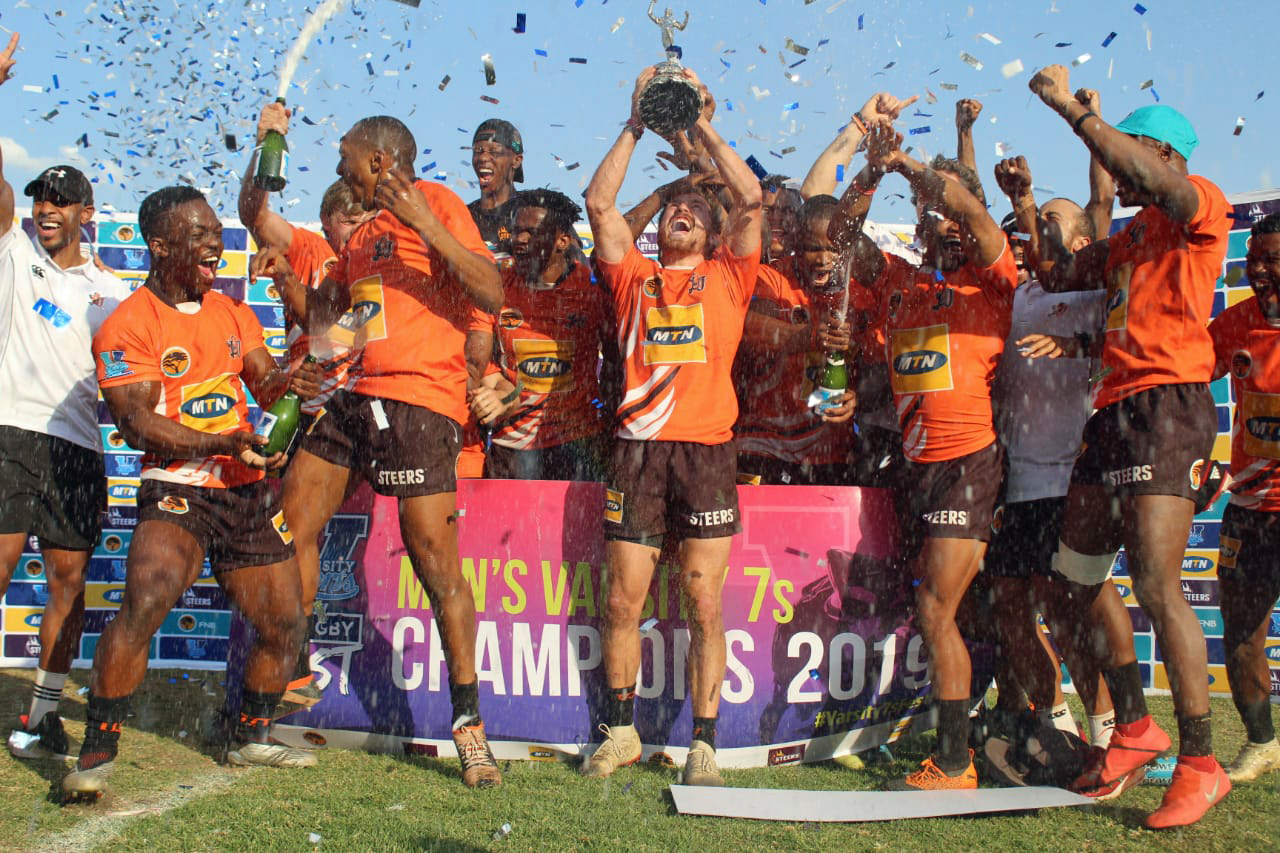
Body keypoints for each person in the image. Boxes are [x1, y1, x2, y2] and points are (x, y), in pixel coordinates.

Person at [253, 115, 505, 789]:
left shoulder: (439, 201)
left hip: (421, 401)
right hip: (356, 396)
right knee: (288, 525)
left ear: (379, 160)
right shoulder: (361, 237)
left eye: (347, 158)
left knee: (436, 567)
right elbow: (331, 334)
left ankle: (469, 723)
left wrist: (424, 221)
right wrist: (286, 280)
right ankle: (291, 668)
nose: (339, 169)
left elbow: (489, 289)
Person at [62, 186, 321, 796]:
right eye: (199, 234)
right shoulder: (129, 324)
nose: (215, 243)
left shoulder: (232, 311)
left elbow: (264, 383)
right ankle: (96, 753)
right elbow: (136, 424)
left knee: (285, 624)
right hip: (177, 486)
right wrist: (222, 442)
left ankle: (248, 735)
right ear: (160, 246)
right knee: (146, 603)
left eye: (215, 232)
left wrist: (293, 381)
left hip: (244, 488)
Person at [1029, 65, 1232, 828]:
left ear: (1165, 154)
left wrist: (1074, 113)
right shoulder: (1130, 236)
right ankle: (1135, 726)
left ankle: (1202, 761)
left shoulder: (1196, 201)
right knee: (1071, 579)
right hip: (1112, 412)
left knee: (1155, 583)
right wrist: (1029, 202)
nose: (1118, 169)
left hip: (1168, 407)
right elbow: (1060, 271)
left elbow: (1138, 174)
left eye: (1130, 152)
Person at [580, 64, 762, 786]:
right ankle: (621, 732)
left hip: (707, 453)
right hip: (638, 452)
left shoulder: (730, 277)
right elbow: (599, 202)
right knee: (622, 600)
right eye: (671, 208)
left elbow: (750, 196)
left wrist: (697, 122)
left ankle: (704, 745)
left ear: (714, 234)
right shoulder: (633, 276)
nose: (680, 211)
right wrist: (637, 121)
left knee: (703, 602)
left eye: (693, 208)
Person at [834, 121, 1017, 790]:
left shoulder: (991, 279)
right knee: (950, 611)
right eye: (929, 214)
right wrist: (874, 170)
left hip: (968, 464)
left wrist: (909, 164)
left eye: (949, 213)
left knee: (939, 610)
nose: (942, 223)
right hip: (916, 469)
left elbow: (969, 208)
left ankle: (958, 760)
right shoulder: (901, 283)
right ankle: (997, 728)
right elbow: (839, 235)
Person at [0, 32, 133, 764]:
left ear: (87, 211)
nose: (45, 207)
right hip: (10, 431)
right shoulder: (13, 249)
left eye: (59, 200)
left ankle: (43, 715)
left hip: (79, 447)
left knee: (69, 583)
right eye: (39, 198)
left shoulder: (112, 292)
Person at [984, 142, 1124, 768]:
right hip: (1016, 481)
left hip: (1068, 479)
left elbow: (1127, 342)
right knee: (1010, 605)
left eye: (1053, 221)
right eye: (1036, 222)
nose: (1040, 227)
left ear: (1085, 241)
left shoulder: (1093, 293)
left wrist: (1079, 348)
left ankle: (1110, 731)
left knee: (1069, 614)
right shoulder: (1016, 295)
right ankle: (1055, 721)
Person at [237, 99, 374, 705]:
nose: (359, 228)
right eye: (350, 220)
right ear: (325, 223)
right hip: (305, 410)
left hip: (362, 408)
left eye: (366, 217)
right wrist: (267, 143)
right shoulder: (314, 252)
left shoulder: (381, 260)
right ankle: (291, 658)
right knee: (294, 530)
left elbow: (348, 334)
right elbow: (253, 212)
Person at [468, 189, 612, 481]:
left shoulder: (591, 291)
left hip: (577, 442)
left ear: (562, 241)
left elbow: (616, 357)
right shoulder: (497, 288)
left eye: (532, 232)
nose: (519, 239)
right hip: (514, 444)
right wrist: (497, 391)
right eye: (516, 231)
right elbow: (480, 361)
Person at [1207, 212, 1280, 783]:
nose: (1258, 270)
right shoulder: (1233, 324)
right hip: (1250, 512)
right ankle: (1262, 743)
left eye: (1271, 259)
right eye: (1253, 260)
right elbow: (1185, 380)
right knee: (1239, 635)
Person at [734, 195, 857, 484]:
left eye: (833, 249)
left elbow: (869, 361)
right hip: (763, 444)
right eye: (813, 248)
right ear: (796, 244)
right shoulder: (771, 278)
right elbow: (748, 328)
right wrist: (809, 336)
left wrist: (855, 397)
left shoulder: (855, 292)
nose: (824, 259)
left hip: (827, 450)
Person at [467, 118, 524, 263]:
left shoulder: (532, 210)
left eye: (494, 151)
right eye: (478, 151)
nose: (483, 157)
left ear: (516, 160)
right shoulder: (463, 215)